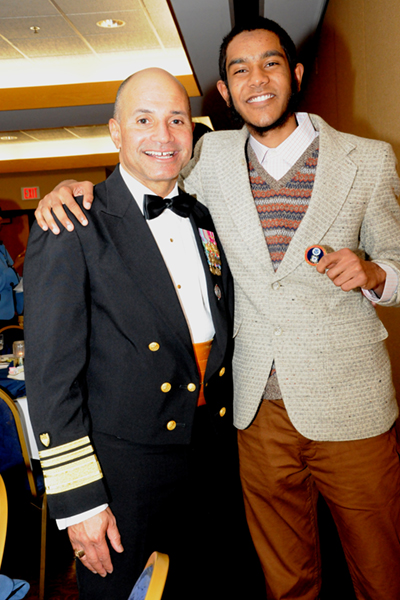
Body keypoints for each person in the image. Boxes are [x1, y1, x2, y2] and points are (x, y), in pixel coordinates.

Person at [33, 17, 400, 600]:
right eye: (238, 70)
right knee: (280, 578)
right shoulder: (205, 161)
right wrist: (69, 192)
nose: (257, 79)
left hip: (333, 405)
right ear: (225, 94)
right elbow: (139, 183)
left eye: (271, 63)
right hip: (237, 423)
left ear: (296, 73)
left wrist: (377, 273)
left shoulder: (367, 158)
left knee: (378, 572)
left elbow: (398, 264)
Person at [24, 68, 260, 600]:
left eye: (177, 120)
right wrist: (80, 503)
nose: (163, 135)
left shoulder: (203, 218)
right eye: (144, 120)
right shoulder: (73, 222)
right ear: (115, 133)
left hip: (210, 456)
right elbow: (49, 379)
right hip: (122, 471)